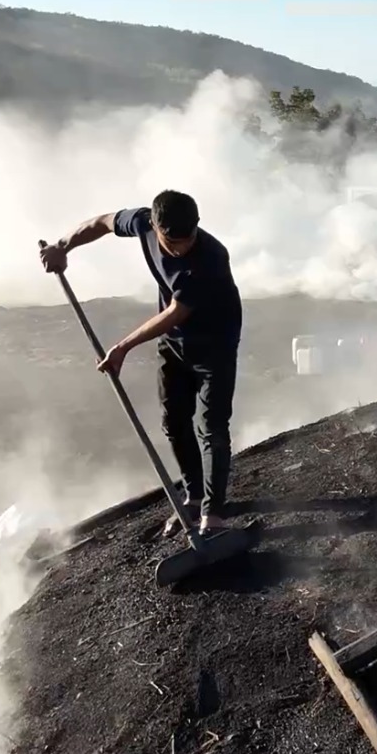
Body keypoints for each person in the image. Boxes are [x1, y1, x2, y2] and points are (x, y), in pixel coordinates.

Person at [39, 190, 243, 537]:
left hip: (215, 345)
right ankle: (193, 496)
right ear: (155, 226)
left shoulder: (209, 257)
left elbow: (176, 312)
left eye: (189, 237)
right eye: (173, 242)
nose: (182, 247)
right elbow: (101, 223)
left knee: (211, 426)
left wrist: (123, 347)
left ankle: (214, 516)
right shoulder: (141, 222)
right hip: (174, 344)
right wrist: (62, 247)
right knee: (174, 420)